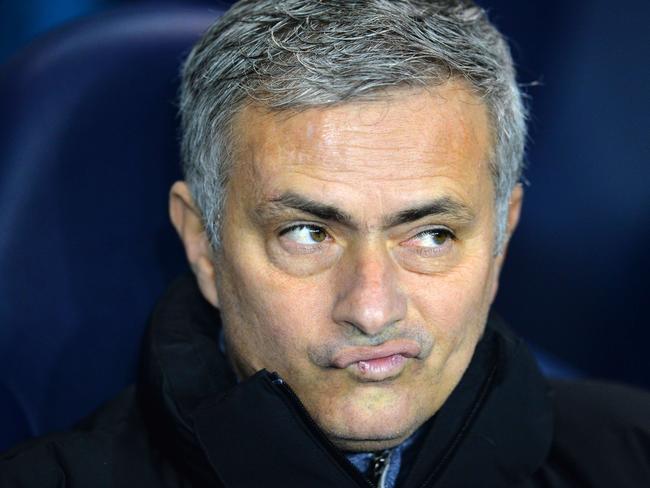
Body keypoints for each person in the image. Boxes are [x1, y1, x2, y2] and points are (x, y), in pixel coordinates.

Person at [1, 0, 649, 486]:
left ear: (501, 237)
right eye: (308, 234)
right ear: (203, 244)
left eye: (430, 235)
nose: (371, 309)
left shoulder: (633, 452)